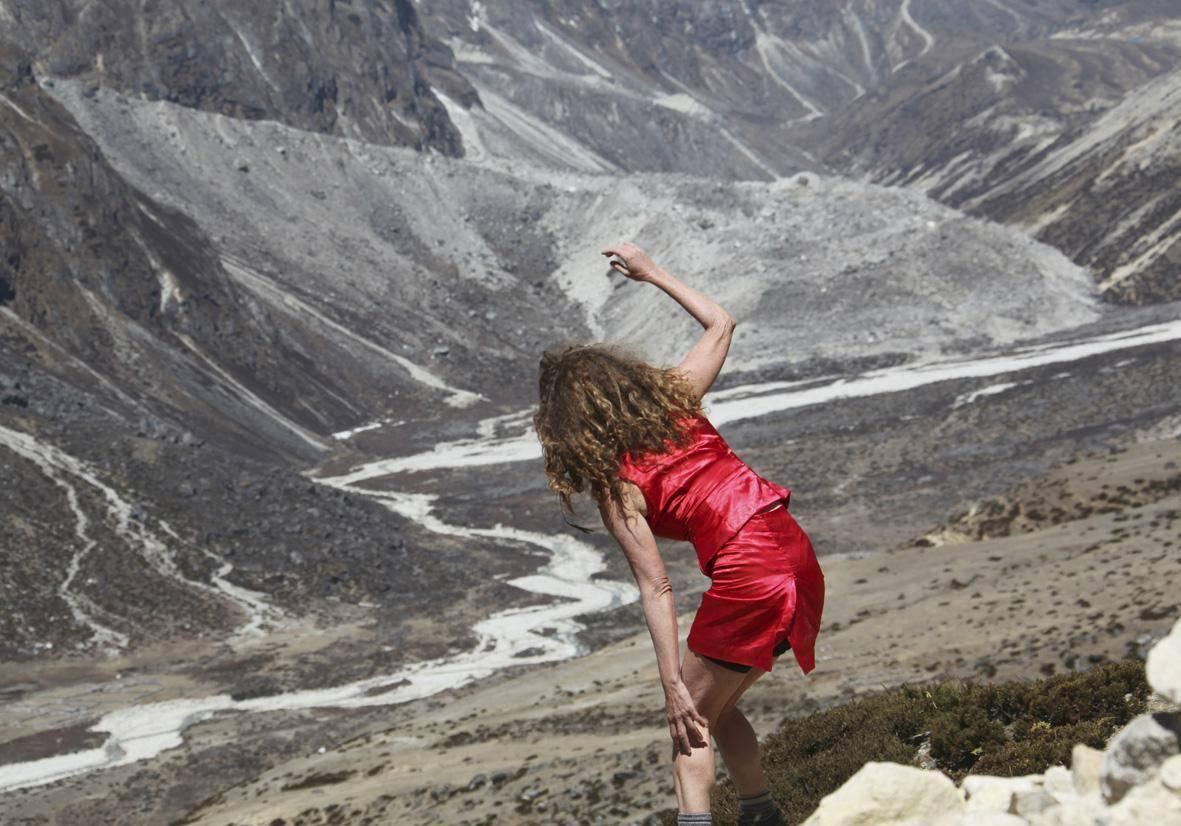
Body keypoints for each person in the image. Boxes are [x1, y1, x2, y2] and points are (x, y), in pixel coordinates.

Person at [532, 242, 825, 825]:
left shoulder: (618, 488)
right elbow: (722, 321)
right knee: (714, 706)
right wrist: (652, 273)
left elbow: (658, 589)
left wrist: (670, 684)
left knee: (688, 720)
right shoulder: (677, 403)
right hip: (795, 554)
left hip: (751, 574)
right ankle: (761, 813)